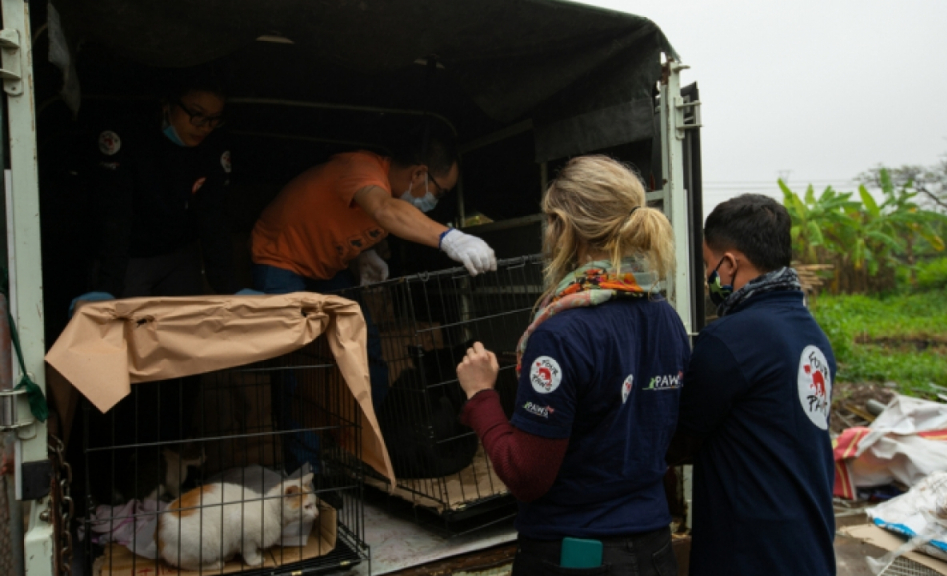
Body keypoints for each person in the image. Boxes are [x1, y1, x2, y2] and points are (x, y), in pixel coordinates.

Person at [456, 156, 688, 576]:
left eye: (549, 221)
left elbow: (527, 476)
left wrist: (481, 396)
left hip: (576, 556)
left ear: (564, 227)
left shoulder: (562, 333)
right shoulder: (665, 316)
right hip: (653, 552)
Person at [249, 120, 497, 408]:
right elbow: (382, 209)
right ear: (419, 174)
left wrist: (364, 254)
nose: (437, 201)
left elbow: (354, 220)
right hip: (279, 256)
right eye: (439, 192)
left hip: (326, 268)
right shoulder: (361, 168)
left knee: (365, 342)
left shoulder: (395, 197)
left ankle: (379, 436)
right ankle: (305, 453)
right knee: (298, 356)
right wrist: (450, 237)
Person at [667, 194, 836, 576]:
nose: (709, 277)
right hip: (809, 549)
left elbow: (676, 440)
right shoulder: (813, 337)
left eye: (710, 265)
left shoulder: (730, 340)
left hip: (750, 556)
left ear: (729, 264)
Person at [76, 68, 237, 307]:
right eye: (197, 115)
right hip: (130, 255)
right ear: (168, 105)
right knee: (129, 328)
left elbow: (213, 216)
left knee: (185, 326)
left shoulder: (213, 146)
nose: (205, 126)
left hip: (179, 254)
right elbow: (115, 216)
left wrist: (230, 286)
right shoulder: (130, 137)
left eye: (214, 118)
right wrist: (107, 285)